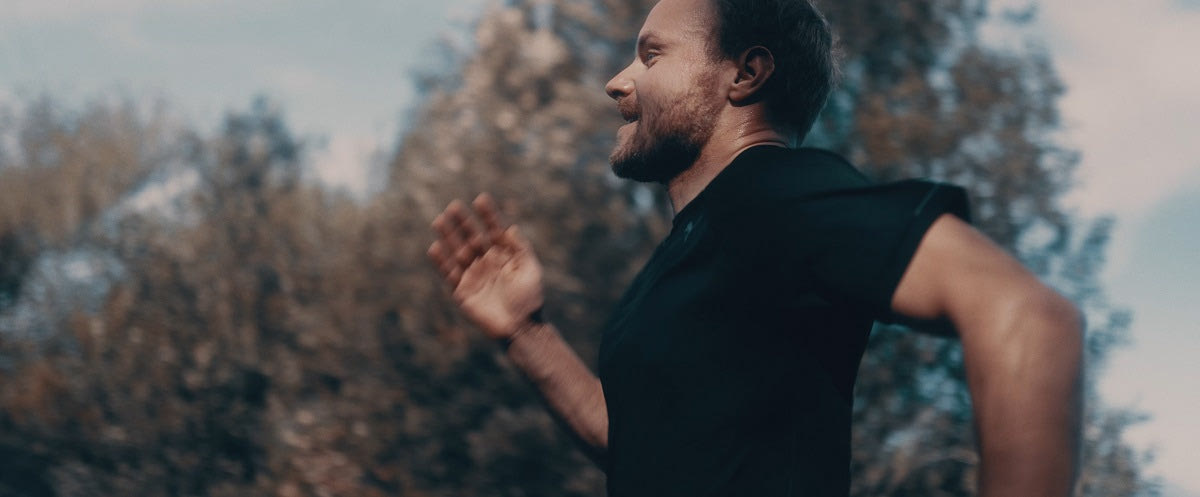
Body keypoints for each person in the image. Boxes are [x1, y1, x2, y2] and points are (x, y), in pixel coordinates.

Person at [426, 0, 1084, 495]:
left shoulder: (777, 194)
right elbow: (641, 442)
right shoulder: (686, 253)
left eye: (651, 56)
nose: (617, 82)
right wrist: (525, 332)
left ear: (745, 74)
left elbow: (1028, 315)